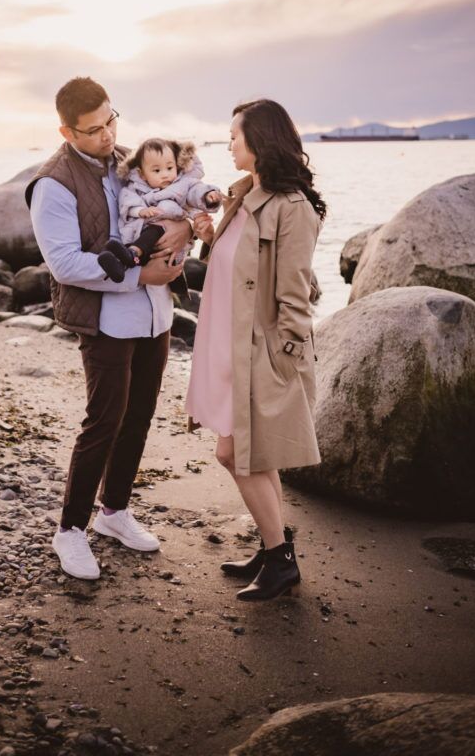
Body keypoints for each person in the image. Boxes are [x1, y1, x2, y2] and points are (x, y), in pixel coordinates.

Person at [25, 78, 191, 580]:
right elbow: (65, 265)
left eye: (111, 121)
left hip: (156, 314)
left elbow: (175, 206)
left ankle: (114, 513)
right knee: (104, 421)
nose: (107, 135)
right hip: (105, 321)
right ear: (67, 130)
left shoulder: (131, 162)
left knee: (139, 415)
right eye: (93, 130)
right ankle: (70, 531)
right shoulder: (52, 183)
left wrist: (182, 235)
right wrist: (140, 274)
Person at [186, 98, 326, 602]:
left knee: (236, 453)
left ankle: (280, 560)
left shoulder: (292, 209)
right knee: (253, 455)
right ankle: (273, 548)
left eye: (233, 135)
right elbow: (233, 266)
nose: (227, 143)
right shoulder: (245, 196)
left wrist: (285, 358)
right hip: (227, 344)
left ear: (259, 140)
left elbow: (295, 294)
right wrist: (208, 235)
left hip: (261, 351)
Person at [97, 138, 222, 284]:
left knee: (156, 229)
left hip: (168, 243)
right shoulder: (136, 188)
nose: (165, 174)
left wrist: (208, 195)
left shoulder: (182, 184)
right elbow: (127, 201)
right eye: (157, 170)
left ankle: (131, 254)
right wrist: (140, 211)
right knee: (147, 235)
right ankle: (120, 262)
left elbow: (195, 191)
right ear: (142, 174)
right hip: (142, 237)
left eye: (170, 168)